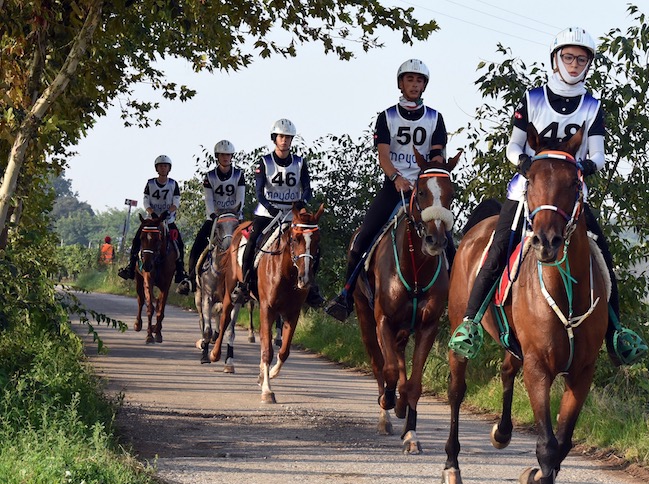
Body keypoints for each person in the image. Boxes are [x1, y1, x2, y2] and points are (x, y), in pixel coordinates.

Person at [448, 27, 648, 364]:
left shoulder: (592, 105)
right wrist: (525, 163)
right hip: (528, 189)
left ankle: (616, 332)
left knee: (602, 254)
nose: (574, 63)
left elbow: (598, 154)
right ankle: (470, 323)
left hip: (569, 195)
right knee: (498, 249)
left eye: (581, 59)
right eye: (568, 57)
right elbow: (513, 145)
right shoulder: (532, 97)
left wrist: (583, 167)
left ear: (588, 64)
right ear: (556, 60)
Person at [324, 58, 449, 322]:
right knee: (363, 238)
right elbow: (383, 156)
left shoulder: (436, 118)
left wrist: (428, 180)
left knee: (448, 241)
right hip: (395, 187)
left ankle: (453, 297)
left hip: (425, 191)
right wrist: (395, 178)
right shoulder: (387, 117)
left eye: (419, 81)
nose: (414, 85)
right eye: (410, 80)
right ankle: (346, 296)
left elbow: (437, 157)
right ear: (401, 84)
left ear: (424, 85)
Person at [231, 119, 324, 307]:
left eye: (288, 138)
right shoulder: (265, 161)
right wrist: (270, 206)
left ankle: (311, 286)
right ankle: (244, 283)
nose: (285, 141)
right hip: (268, 212)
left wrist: (302, 202)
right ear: (275, 139)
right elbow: (259, 191)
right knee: (252, 241)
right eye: (282, 137)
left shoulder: (299, 162)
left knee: (313, 244)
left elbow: (307, 189)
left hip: (292, 214)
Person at [178, 140, 245, 295]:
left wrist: (234, 214)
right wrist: (214, 215)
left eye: (228, 155)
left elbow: (240, 199)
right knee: (198, 244)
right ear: (217, 156)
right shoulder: (209, 176)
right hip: (215, 218)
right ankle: (190, 278)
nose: (225, 158)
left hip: (234, 218)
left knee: (249, 244)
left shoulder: (239, 175)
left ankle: (247, 282)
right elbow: (209, 199)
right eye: (222, 155)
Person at [118, 155, 188, 283]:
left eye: (165, 166)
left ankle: (180, 270)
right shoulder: (150, 183)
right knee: (136, 240)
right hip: (151, 219)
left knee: (179, 243)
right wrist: (152, 213)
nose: (163, 168)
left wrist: (168, 212)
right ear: (157, 168)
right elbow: (146, 201)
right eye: (161, 166)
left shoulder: (173, 184)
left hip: (168, 220)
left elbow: (176, 203)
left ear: (169, 168)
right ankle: (130, 267)